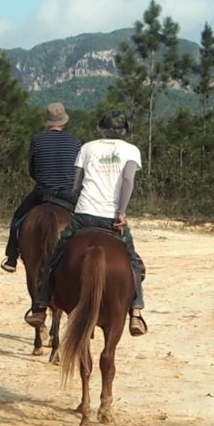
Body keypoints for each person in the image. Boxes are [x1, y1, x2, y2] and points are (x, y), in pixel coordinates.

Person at [32, 109, 149, 335]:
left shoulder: (87, 147)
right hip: (112, 217)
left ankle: (40, 305)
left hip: (84, 214)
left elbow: (76, 185)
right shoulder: (131, 151)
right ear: (124, 130)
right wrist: (121, 213)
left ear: (102, 128)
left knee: (56, 255)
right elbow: (127, 181)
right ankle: (136, 311)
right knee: (133, 260)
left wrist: (80, 203)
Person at [1, 102, 82, 272]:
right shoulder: (75, 142)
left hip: (42, 192)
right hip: (68, 194)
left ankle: (12, 257)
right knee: (86, 221)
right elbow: (78, 172)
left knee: (17, 219)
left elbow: (32, 169)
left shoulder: (37, 140)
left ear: (48, 121)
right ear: (64, 121)